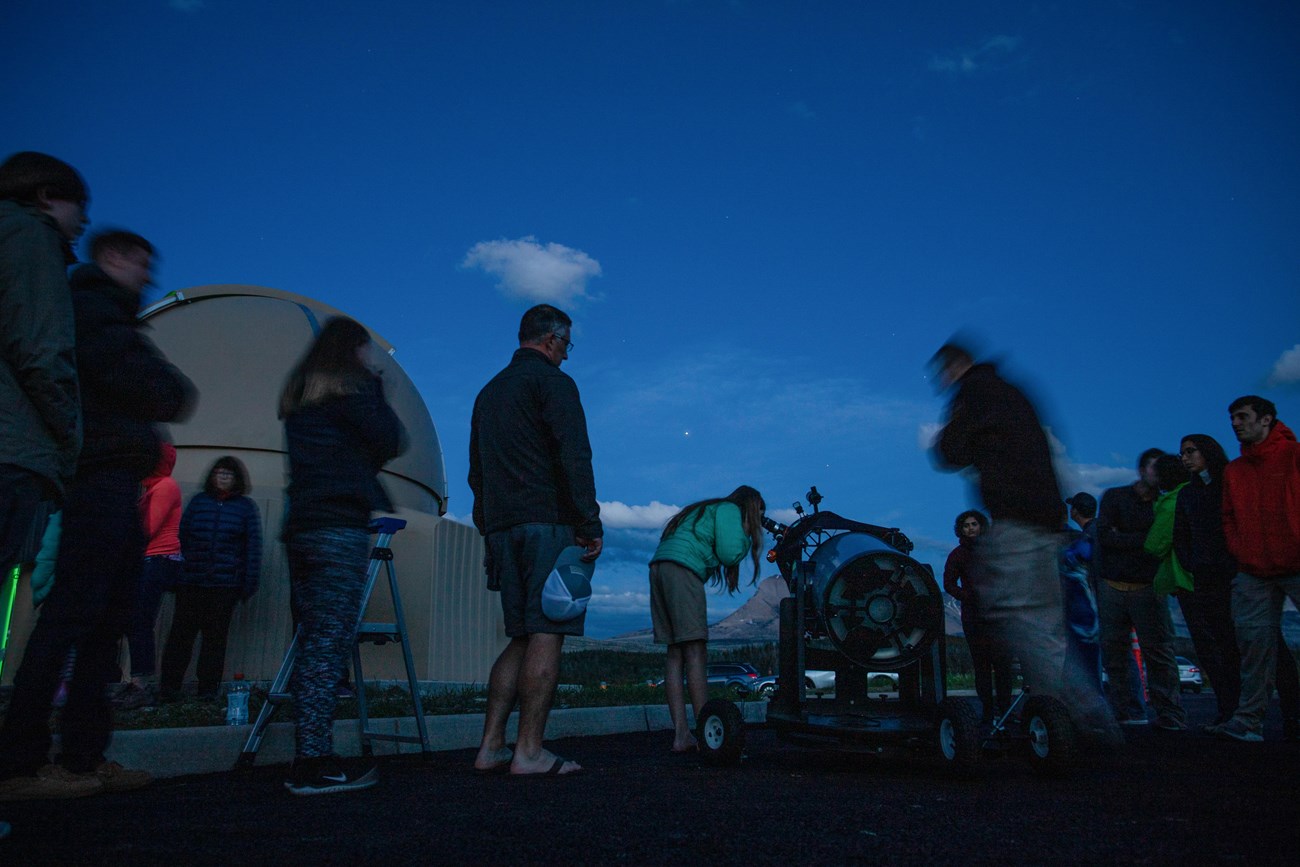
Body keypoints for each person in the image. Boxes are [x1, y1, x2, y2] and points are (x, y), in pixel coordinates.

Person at [0, 229, 194, 800]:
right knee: (73, 619)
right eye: (140, 262)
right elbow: (164, 389)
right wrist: (151, 386)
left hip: (115, 481)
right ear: (112, 258)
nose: (147, 275)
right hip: (96, 478)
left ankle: (84, 756)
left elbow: (170, 393)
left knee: (105, 625)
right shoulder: (92, 311)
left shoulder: (110, 317)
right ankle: (20, 762)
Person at [929, 341, 1120, 746]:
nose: (942, 383)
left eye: (943, 374)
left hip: (1017, 520)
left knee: (1023, 621)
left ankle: (1081, 721)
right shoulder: (1013, 391)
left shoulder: (975, 393)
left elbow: (948, 451)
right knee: (1046, 629)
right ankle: (1065, 724)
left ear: (955, 367)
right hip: (1047, 521)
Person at [470, 304, 602, 776]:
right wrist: (590, 523)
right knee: (548, 633)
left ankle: (491, 746)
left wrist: (489, 529)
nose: (567, 356)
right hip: (548, 525)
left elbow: (476, 474)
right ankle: (528, 752)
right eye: (566, 346)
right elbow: (574, 457)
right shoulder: (553, 384)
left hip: (503, 529)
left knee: (522, 635)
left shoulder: (488, 393)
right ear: (550, 340)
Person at [278, 317, 405, 794]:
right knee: (329, 646)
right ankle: (313, 762)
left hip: (303, 526)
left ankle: (311, 754)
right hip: (338, 527)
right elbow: (391, 440)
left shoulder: (302, 401)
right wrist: (378, 388)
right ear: (352, 351)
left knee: (315, 641)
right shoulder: (354, 395)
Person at [0, 152, 90, 802]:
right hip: (14, 448)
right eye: (76, 209)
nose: (81, 224)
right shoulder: (28, 237)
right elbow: (42, 350)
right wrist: (68, 443)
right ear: (46, 197)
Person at [649, 486, 766, 751]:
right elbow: (729, 552)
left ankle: (682, 735)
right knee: (696, 650)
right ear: (751, 505)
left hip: (661, 567)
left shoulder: (707, 510)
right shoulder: (729, 510)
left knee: (675, 653)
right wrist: (747, 534)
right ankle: (707, 735)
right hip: (682, 569)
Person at [1218, 396, 1300, 743]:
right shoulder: (1234, 470)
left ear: (1266, 420)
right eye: (1232, 417)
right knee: (1253, 645)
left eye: (1243, 417)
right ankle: (1249, 721)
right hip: (1253, 570)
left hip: (1296, 563)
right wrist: (1241, 550)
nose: (1236, 423)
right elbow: (1228, 517)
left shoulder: (1295, 457)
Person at [1096, 449, 1187, 730]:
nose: (1157, 472)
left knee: (1158, 651)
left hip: (1149, 586)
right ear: (1141, 469)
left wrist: (1125, 538)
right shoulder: (1115, 497)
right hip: (1112, 584)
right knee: (1114, 652)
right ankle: (1126, 710)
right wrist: (1146, 540)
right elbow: (1105, 537)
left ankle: (1169, 714)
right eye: (1153, 466)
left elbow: (1162, 542)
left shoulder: (1165, 502)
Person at [159, 456, 262, 702]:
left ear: (237, 479)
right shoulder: (198, 502)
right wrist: (175, 574)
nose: (223, 477)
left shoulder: (246, 508)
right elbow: (181, 537)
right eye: (219, 473)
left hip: (224, 586)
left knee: (214, 641)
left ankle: (207, 690)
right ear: (212, 476)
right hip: (191, 582)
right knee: (180, 637)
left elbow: (253, 548)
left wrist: (248, 583)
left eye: (228, 474)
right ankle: (169, 689)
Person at [1172, 434, 1242, 730]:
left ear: (1208, 451)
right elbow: (1181, 534)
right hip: (1205, 575)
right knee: (1220, 643)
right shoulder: (1188, 494)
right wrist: (1193, 563)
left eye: (1191, 451)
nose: (1186, 458)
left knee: (1254, 639)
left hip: (1238, 572)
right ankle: (1229, 710)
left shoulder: (1230, 483)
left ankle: (1288, 713)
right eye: (1182, 454)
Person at [115, 442, 183, 710]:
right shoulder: (151, 488)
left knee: (139, 621)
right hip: (149, 559)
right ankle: (138, 684)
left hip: (158, 558)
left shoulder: (165, 486)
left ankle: (141, 686)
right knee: (136, 621)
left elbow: (149, 527)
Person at [943, 509, 1013, 723]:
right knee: (981, 665)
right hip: (974, 616)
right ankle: (988, 712)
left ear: (981, 526)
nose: (970, 528)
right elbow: (948, 584)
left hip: (998, 614)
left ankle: (1006, 711)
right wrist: (968, 596)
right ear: (960, 529)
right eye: (966, 525)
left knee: (1003, 665)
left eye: (974, 524)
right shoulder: (957, 554)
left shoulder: (995, 550)